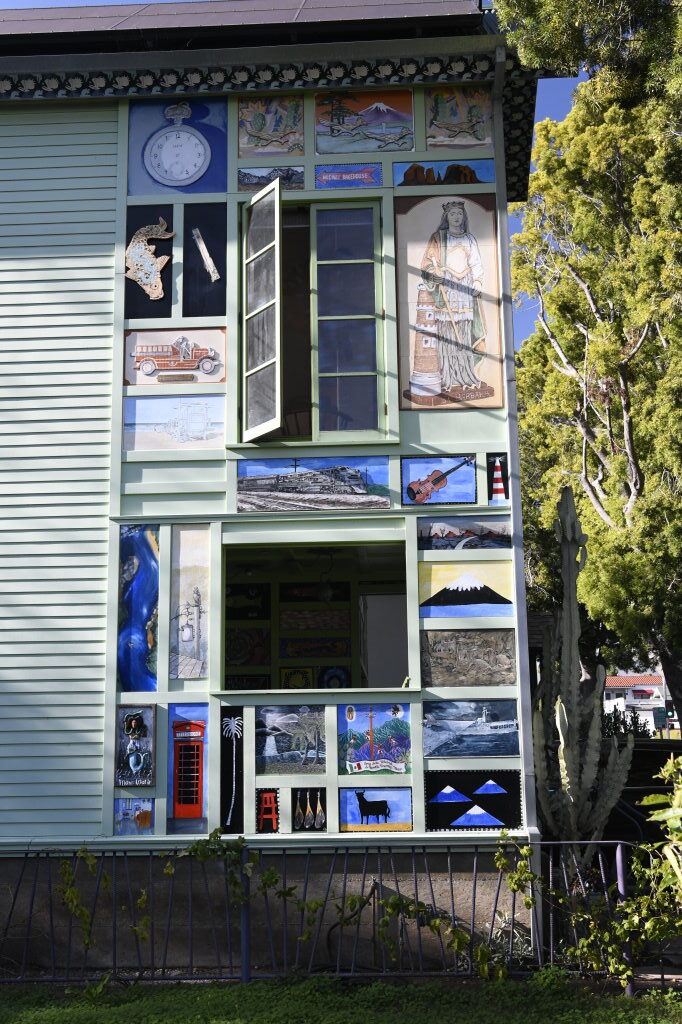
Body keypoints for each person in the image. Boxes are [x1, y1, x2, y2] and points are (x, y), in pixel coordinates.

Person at [419, 200, 485, 392]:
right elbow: (426, 264)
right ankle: (447, 376)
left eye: (459, 213)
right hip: (445, 286)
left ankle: (465, 375)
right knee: (446, 331)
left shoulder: (469, 239)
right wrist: (434, 273)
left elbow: (476, 263)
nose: (456, 217)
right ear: (446, 217)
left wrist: (478, 281)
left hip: (464, 287)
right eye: (453, 214)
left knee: (463, 329)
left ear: (464, 217)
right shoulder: (438, 238)